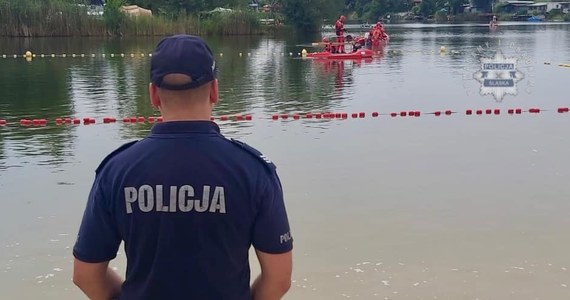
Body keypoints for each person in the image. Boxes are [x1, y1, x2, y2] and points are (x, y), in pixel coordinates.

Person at [72, 34, 294, 300]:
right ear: (214, 90)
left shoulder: (117, 171)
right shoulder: (253, 171)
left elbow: (85, 275)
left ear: (153, 94)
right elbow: (279, 279)